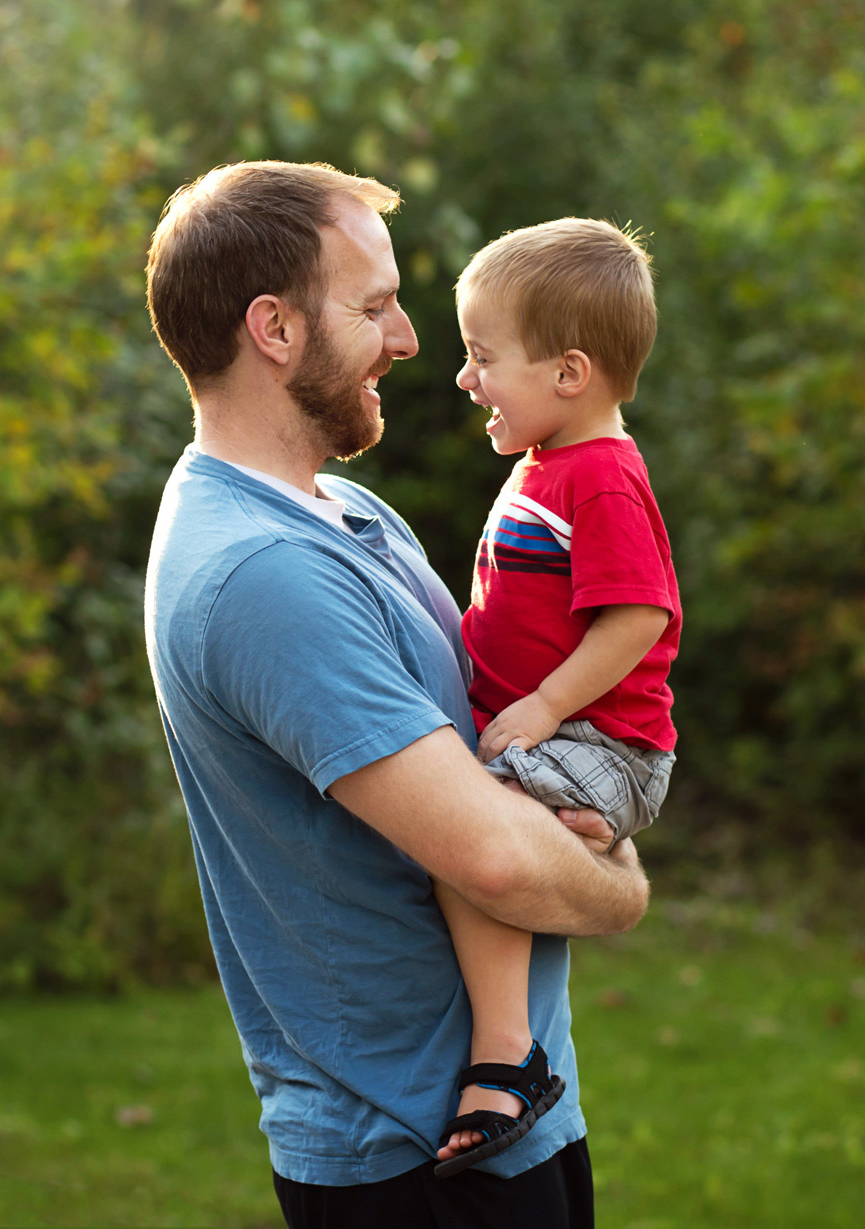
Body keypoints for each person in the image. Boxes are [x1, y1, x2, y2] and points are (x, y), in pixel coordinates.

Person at [142, 161, 648, 1229]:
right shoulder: (260, 573)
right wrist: (620, 882)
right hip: (412, 1158)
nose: (410, 338)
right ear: (272, 329)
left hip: (512, 1121)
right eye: (372, 306)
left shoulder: (347, 515)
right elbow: (496, 857)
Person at [430, 219, 683, 1176]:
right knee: (468, 823)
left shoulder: (604, 478)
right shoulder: (552, 466)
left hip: (600, 740)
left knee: (469, 830)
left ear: (569, 373)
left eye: (483, 357)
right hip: (566, 730)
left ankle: (508, 1054)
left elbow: (638, 621)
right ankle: (570, 845)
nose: (466, 378)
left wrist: (537, 708)